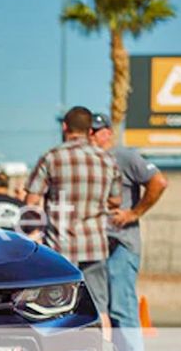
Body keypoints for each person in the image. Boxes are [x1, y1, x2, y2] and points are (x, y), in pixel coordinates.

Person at [25, 106, 122, 332]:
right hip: (95, 245)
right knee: (100, 309)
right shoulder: (107, 160)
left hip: (60, 246)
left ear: (65, 127)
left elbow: (31, 201)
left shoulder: (52, 157)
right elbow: (116, 200)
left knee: (56, 310)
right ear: (90, 131)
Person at [91, 113, 168, 351]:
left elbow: (159, 182)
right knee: (105, 308)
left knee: (122, 306)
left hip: (122, 243)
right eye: (89, 131)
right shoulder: (91, 161)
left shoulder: (123, 156)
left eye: (97, 131)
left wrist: (135, 213)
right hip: (99, 243)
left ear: (108, 133)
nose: (92, 136)